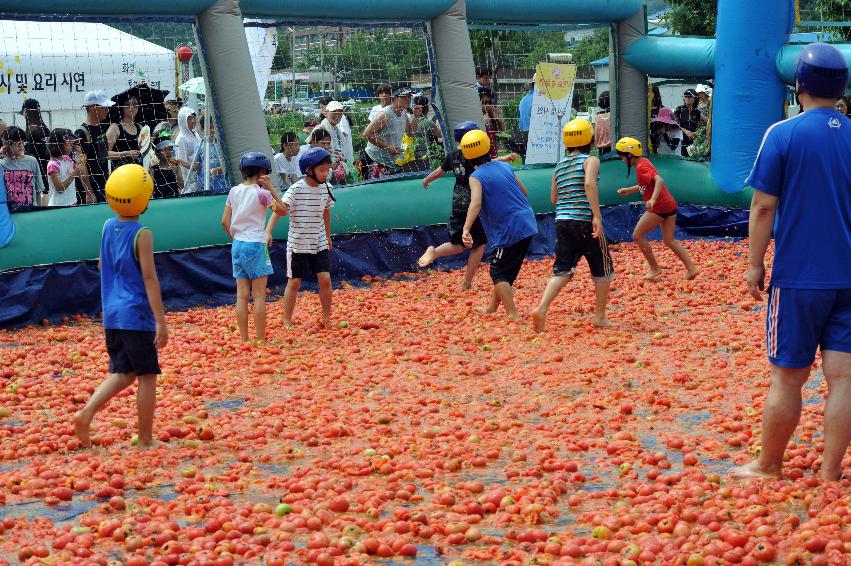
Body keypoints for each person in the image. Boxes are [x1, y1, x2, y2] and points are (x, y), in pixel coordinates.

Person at [731, 43, 851, 482]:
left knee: (787, 380)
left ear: (798, 85)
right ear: (843, 87)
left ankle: (769, 465)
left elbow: (763, 207)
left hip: (799, 278)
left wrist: (754, 263)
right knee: (845, 380)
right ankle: (830, 473)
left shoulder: (782, 134)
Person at [73, 164, 168, 449]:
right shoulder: (143, 234)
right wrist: (160, 321)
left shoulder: (107, 226)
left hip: (112, 315)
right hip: (136, 316)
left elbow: (103, 264)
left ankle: (86, 413)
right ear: (144, 198)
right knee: (147, 376)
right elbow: (149, 279)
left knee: (123, 373)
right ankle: (146, 440)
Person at [532, 119, 613, 333]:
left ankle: (541, 308)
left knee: (563, 270)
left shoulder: (559, 166)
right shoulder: (591, 160)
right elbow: (589, 184)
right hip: (584, 220)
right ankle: (599, 316)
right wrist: (596, 215)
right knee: (603, 267)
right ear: (590, 139)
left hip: (562, 222)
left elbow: (553, 199)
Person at [419, 121, 517, 290]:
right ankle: (466, 283)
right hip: (473, 202)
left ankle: (434, 252)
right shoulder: (473, 155)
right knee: (479, 244)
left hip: (458, 201)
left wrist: (427, 179)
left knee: (458, 245)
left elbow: (439, 171)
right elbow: (489, 164)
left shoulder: (452, 155)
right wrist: (504, 159)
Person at [460, 129, 537, 321]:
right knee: (505, 269)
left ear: (467, 158)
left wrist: (466, 228)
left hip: (509, 228)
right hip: (527, 222)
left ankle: (512, 314)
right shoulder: (504, 167)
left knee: (497, 270)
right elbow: (525, 191)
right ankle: (492, 307)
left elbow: (476, 203)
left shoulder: (476, 177)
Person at [265, 148, 335, 329]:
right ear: (309, 170)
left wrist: (327, 236)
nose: (325, 173)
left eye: (327, 169)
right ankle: (287, 319)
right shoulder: (296, 189)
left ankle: (326, 316)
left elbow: (326, 212)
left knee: (325, 279)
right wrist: (268, 231)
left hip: (318, 242)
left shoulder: (327, 188)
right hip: (297, 245)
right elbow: (280, 210)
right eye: (322, 170)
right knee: (294, 282)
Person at [221, 152, 286, 342]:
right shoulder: (262, 193)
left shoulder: (234, 191)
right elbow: (283, 210)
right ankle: (261, 339)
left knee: (241, 296)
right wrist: (271, 189)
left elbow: (224, 221)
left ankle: (244, 338)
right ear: (262, 172)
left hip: (238, 245)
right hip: (256, 244)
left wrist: (236, 237)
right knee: (258, 296)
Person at [615, 137, 699, 281]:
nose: (621, 159)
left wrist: (653, 199)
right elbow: (647, 185)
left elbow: (659, 181)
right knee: (669, 240)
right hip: (669, 204)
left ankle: (654, 268)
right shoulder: (644, 162)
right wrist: (630, 190)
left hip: (659, 206)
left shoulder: (641, 167)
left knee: (637, 235)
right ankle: (692, 268)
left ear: (629, 155)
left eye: (621, 156)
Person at [363, 87, 417, 178]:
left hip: (390, 161)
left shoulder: (404, 113)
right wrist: (388, 148)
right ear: (394, 98)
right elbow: (367, 134)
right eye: (404, 97)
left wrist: (415, 116)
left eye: (410, 96)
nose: (408, 99)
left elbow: (410, 133)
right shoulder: (385, 114)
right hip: (375, 159)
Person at [75, 90, 115, 203]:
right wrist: (88, 192)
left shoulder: (102, 127)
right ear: (92, 107)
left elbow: (103, 156)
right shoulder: (81, 133)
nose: (107, 110)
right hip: (90, 189)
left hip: (104, 185)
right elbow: (81, 165)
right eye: (104, 107)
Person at [2, 126, 46, 210]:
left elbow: (39, 190)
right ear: (6, 144)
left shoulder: (32, 161)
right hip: (10, 212)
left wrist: (40, 210)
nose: (22, 146)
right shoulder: (2, 164)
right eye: (18, 143)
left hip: (31, 210)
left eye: (23, 142)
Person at [187, 114, 228, 194]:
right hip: (205, 184)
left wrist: (219, 169)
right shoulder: (200, 145)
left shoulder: (223, 144)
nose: (213, 130)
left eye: (214, 127)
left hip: (223, 184)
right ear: (202, 130)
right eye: (210, 128)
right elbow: (197, 165)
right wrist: (185, 164)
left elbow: (229, 164)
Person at [45, 129, 84, 207]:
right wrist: (74, 174)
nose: (72, 145)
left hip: (72, 202)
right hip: (58, 206)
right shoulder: (53, 164)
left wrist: (80, 153)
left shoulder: (68, 159)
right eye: (69, 143)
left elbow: (81, 172)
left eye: (72, 143)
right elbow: (59, 188)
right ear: (59, 144)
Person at [107, 95, 143, 169]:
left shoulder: (140, 127)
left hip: (138, 171)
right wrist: (127, 154)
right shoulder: (115, 127)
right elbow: (105, 154)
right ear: (122, 107)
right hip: (120, 173)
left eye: (135, 104)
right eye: (127, 104)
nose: (132, 107)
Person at [20, 98, 51, 184]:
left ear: (26, 111)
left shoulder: (32, 130)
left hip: (37, 173)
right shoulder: (44, 128)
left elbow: (31, 156)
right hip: (47, 169)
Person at [411, 95, 442, 162]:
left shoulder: (411, 120)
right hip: (424, 157)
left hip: (411, 155)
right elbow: (442, 135)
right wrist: (438, 123)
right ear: (427, 108)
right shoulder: (427, 123)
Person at [174, 106, 198, 189]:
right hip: (191, 181)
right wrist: (186, 185)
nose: (193, 121)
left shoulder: (195, 134)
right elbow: (182, 164)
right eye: (189, 119)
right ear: (182, 121)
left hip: (200, 176)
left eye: (194, 118)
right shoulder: (181, 139)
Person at [674, 89, 702, 157]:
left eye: (689, 97)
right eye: (686, 97)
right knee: (681, 161)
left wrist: (696, 133)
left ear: (694, 98)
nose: (687, 98)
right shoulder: (679, 109)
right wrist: (686, 131)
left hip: (693, 142)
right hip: (681, 141)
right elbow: (674, 124)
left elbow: (699, 125)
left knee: (692, 161)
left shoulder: (697, 112)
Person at [479, 87, 504, 159]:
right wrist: (483, 123)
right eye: (484, 102)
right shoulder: (476, 115)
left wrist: (499, 120)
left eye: (490, 102)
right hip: (481, 155)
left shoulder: (492, 115)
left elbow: (503, 130)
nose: (487, 105)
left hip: (493, 154)